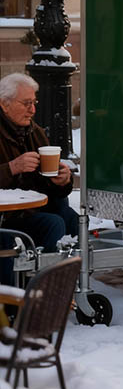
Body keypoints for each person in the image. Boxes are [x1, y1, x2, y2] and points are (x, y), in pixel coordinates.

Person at [0, 73, 78, 256]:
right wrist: (12, 168)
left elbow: (45, 183)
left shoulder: (35, 132)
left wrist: (62, 181)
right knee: (53, 223)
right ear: (4, 104)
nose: (32, 110)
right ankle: (43, 279)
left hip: (28, 209)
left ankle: (71, 274)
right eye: (26, 103)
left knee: (73, 218)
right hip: (6, 215)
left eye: (34, 103)